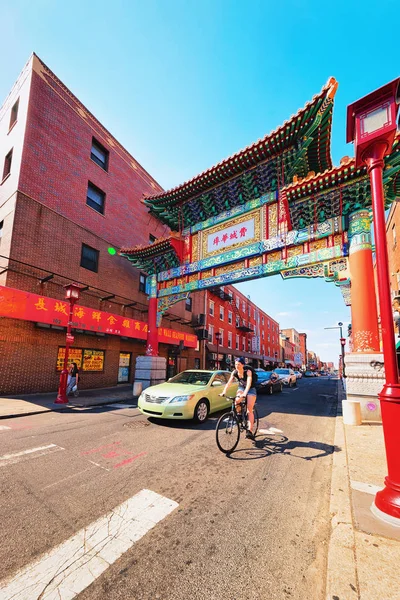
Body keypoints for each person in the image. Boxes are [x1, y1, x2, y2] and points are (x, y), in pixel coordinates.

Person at [220, 357, 257, 440]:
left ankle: (249, 431)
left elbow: (249, 383)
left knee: (249, 409)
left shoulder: (248, 371)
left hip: (250, 389)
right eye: (236, 364)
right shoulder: (234, 372)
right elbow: (229, 383)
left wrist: (245, 393)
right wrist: (224, 392)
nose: (237, 366)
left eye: (239, 365)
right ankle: (239, 415)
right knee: (237, 400)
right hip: (241, 387)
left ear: (243, 365)